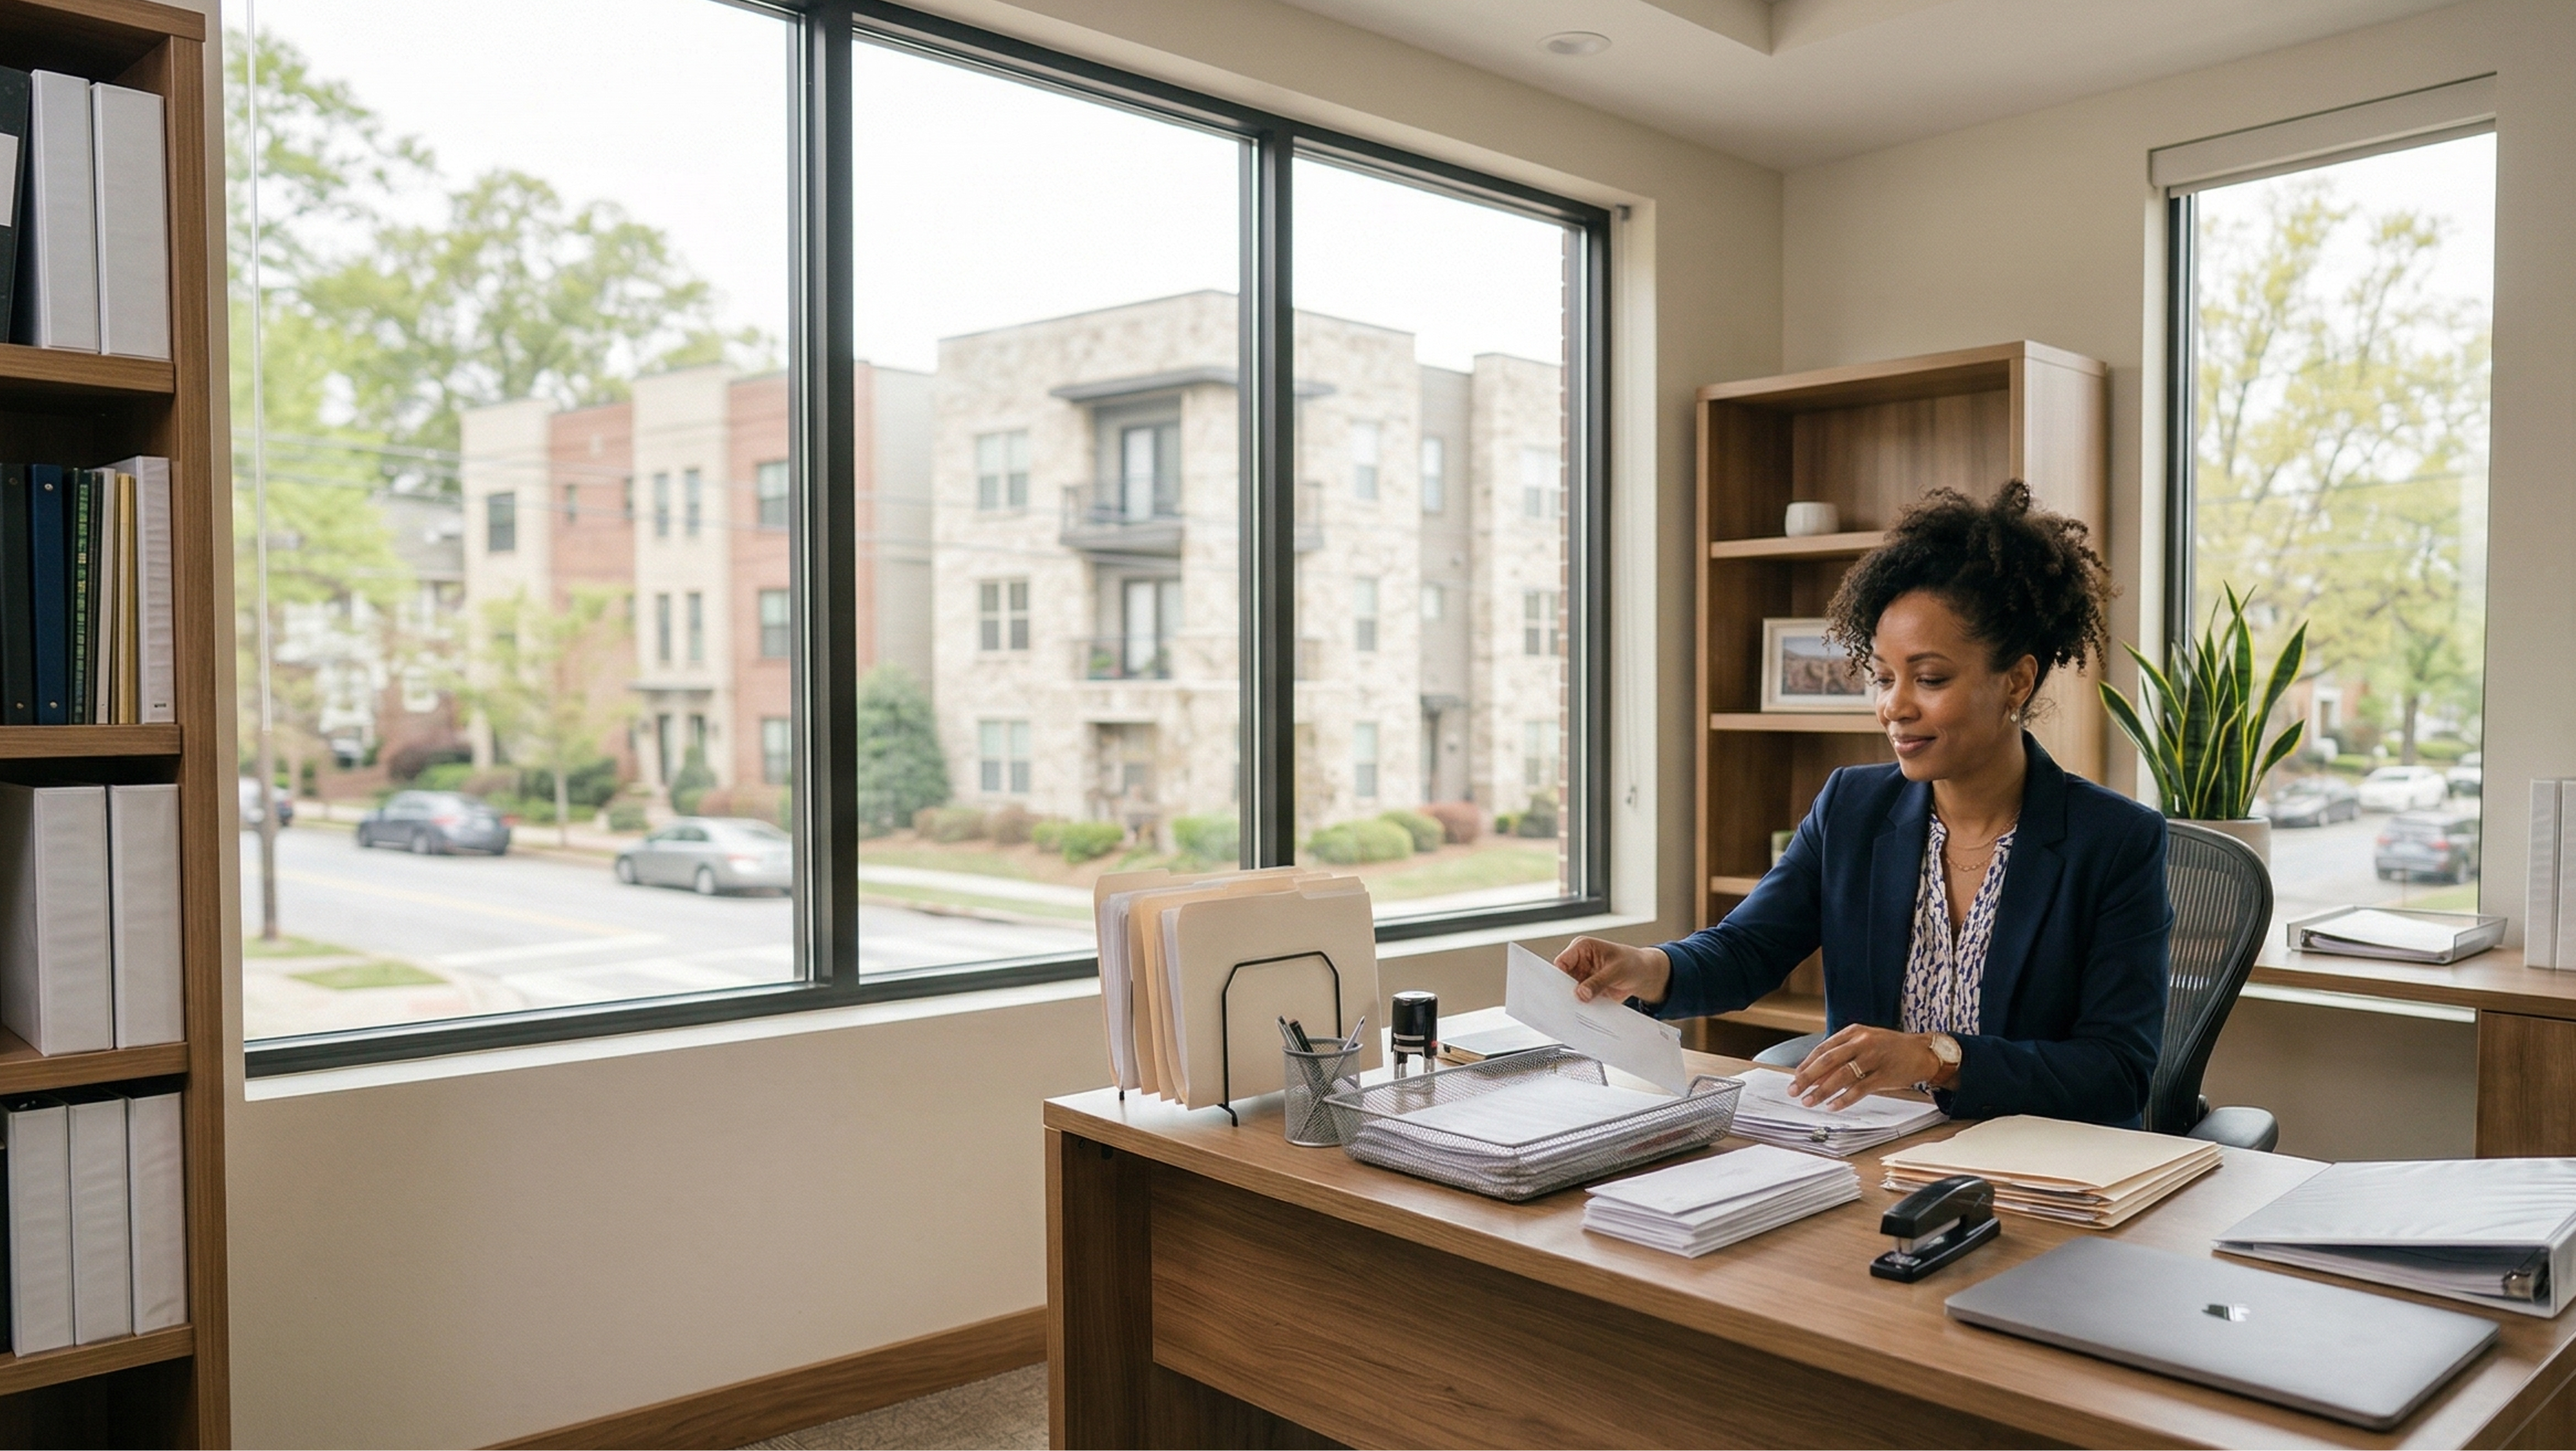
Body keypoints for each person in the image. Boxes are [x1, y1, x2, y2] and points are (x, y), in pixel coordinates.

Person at [1556, 481, 2171, 1126]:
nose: (1894, 706)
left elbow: (2117, 1074)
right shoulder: (1851, 807)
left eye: (1929, 678)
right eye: (1882, 677)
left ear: (2016, 680)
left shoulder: (2115, 840)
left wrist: (1938, 1058)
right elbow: (1746, 949)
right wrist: (1647, 967)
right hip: (1871, 1149)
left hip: (2038, 1163)